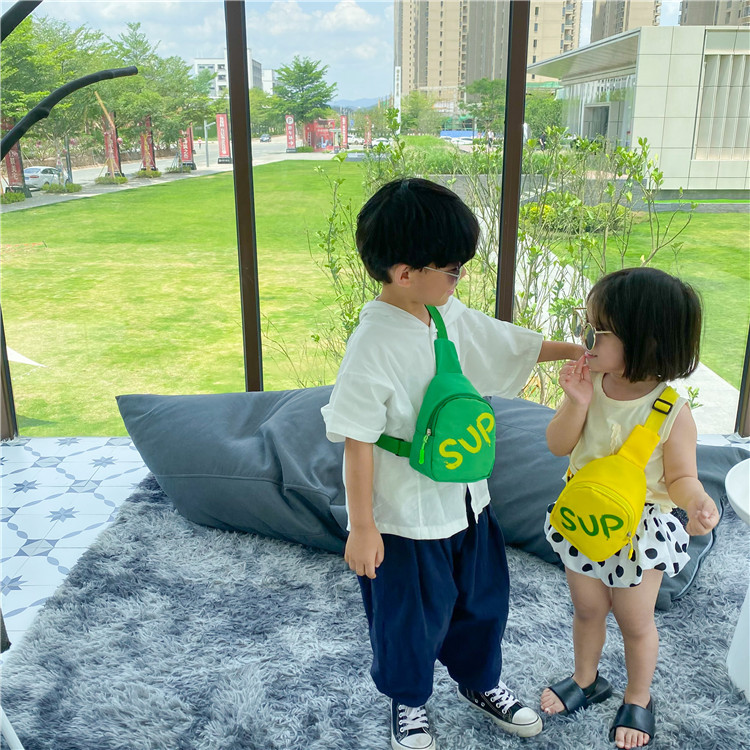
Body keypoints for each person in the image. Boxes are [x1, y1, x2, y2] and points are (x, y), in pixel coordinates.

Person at [321, 177, 583, 750]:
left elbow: (502, 342)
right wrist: (362, 527)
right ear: (403, 273)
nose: (458, 277)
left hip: (468, 502)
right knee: (409, 621)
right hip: (406, 520)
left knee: (483, 604)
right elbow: (357, 441)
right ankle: (409, 702)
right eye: (452, 269)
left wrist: (574, 352)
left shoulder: (442, 313)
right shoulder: (373, 344)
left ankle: (480, 682)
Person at [540, 268, 720, 750]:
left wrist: (697, 502)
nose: (586, 339)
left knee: (634, 621)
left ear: (645, 340)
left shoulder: (671, 410)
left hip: (640, 532)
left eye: (598, 330)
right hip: (584, 518)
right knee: (587, 609)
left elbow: (681, 478)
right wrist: (575, 401)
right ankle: (586, 679)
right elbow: (558, 444)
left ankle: (638, 697)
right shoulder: (593, 384)